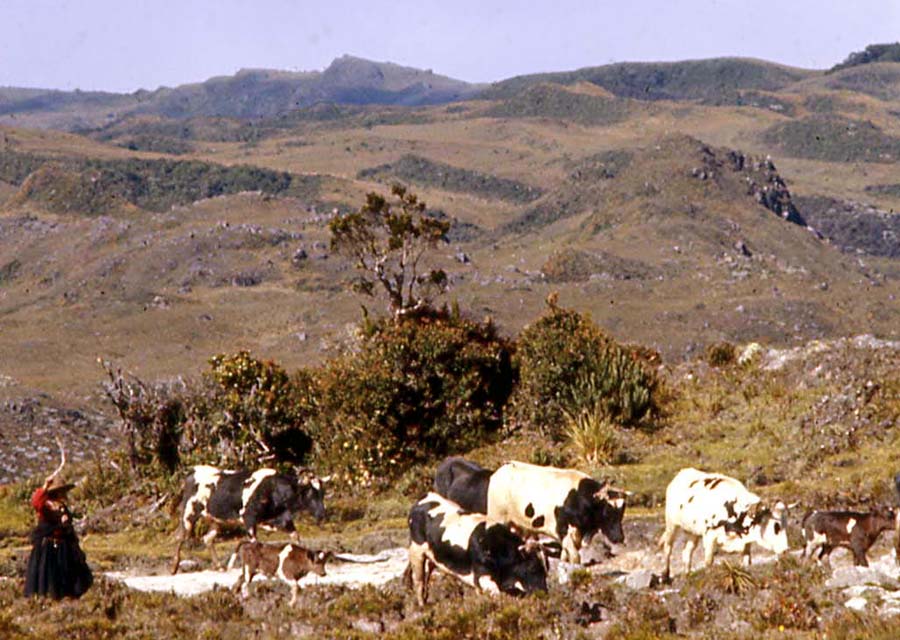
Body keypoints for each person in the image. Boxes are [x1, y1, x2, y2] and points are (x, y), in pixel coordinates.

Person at [24, 446, 93, 599]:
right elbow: (36, 502)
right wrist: (45, 486)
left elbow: (68, 527)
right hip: (48, 548)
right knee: (48, 579)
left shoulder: (62, 507)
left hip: (64, 548)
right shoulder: (46, 505)